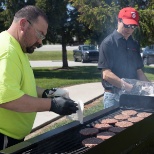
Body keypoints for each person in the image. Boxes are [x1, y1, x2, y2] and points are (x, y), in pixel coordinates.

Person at [0, 5, 78, 150]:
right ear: (23, 24)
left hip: (11, 136)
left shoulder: (18, 48)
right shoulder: (7, 51)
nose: (40, 42)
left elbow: (20, 86)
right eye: (40, 34)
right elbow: (7, 99)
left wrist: (46, 93)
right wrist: (52, 105)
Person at [98, 7, 149, 109]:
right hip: (113, 97)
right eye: (127, 25)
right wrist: (130, 88)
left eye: (133, 26)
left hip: (132, 96)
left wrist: (150, 87)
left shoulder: (134, 44)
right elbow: (106, 74)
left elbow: (138, 70)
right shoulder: (108, 43)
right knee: (112, 125)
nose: (130, 29)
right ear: (119, 20)